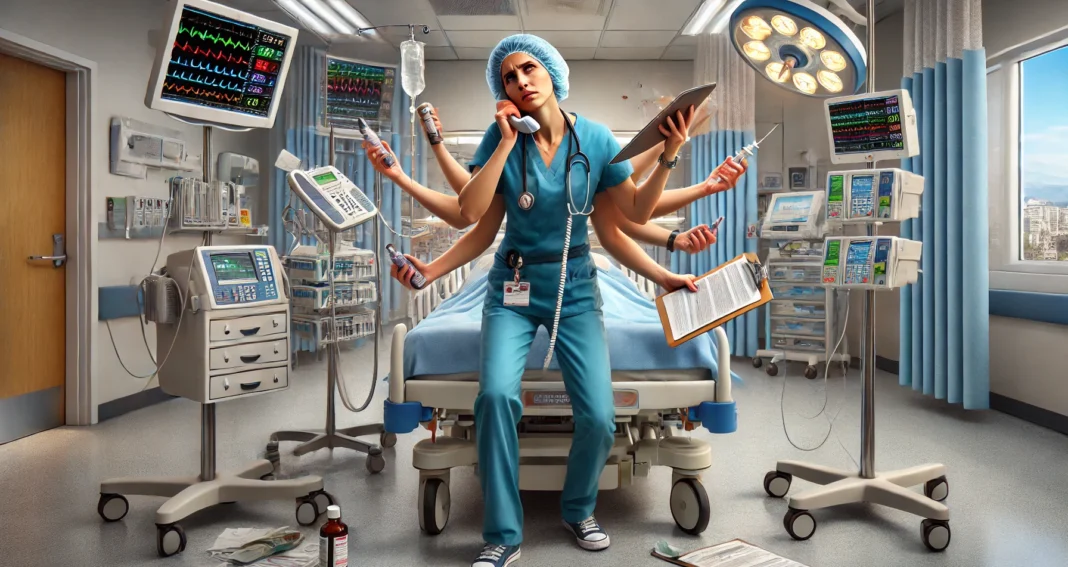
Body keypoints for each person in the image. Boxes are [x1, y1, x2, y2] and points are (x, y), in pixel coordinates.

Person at [374, 35, 746, 567]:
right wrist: (503, 145)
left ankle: (578, 508)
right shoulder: (499, 138)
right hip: (511, 289)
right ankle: (502, 533)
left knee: (597, 415)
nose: (521, 81)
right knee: (496, 398)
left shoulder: (592, 138)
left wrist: (669, 153)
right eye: (508, 77)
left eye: (528, 69)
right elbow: (474, 218)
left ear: (551, 73)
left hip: (576, 290)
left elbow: (633, 215)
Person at [378, 106, 722, 255]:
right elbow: (468, 205)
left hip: (577, 273)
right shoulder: (508, 146)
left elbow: (630, 213)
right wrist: (434, 147)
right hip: (518, 271)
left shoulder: (592, 145)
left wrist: (676, 237)